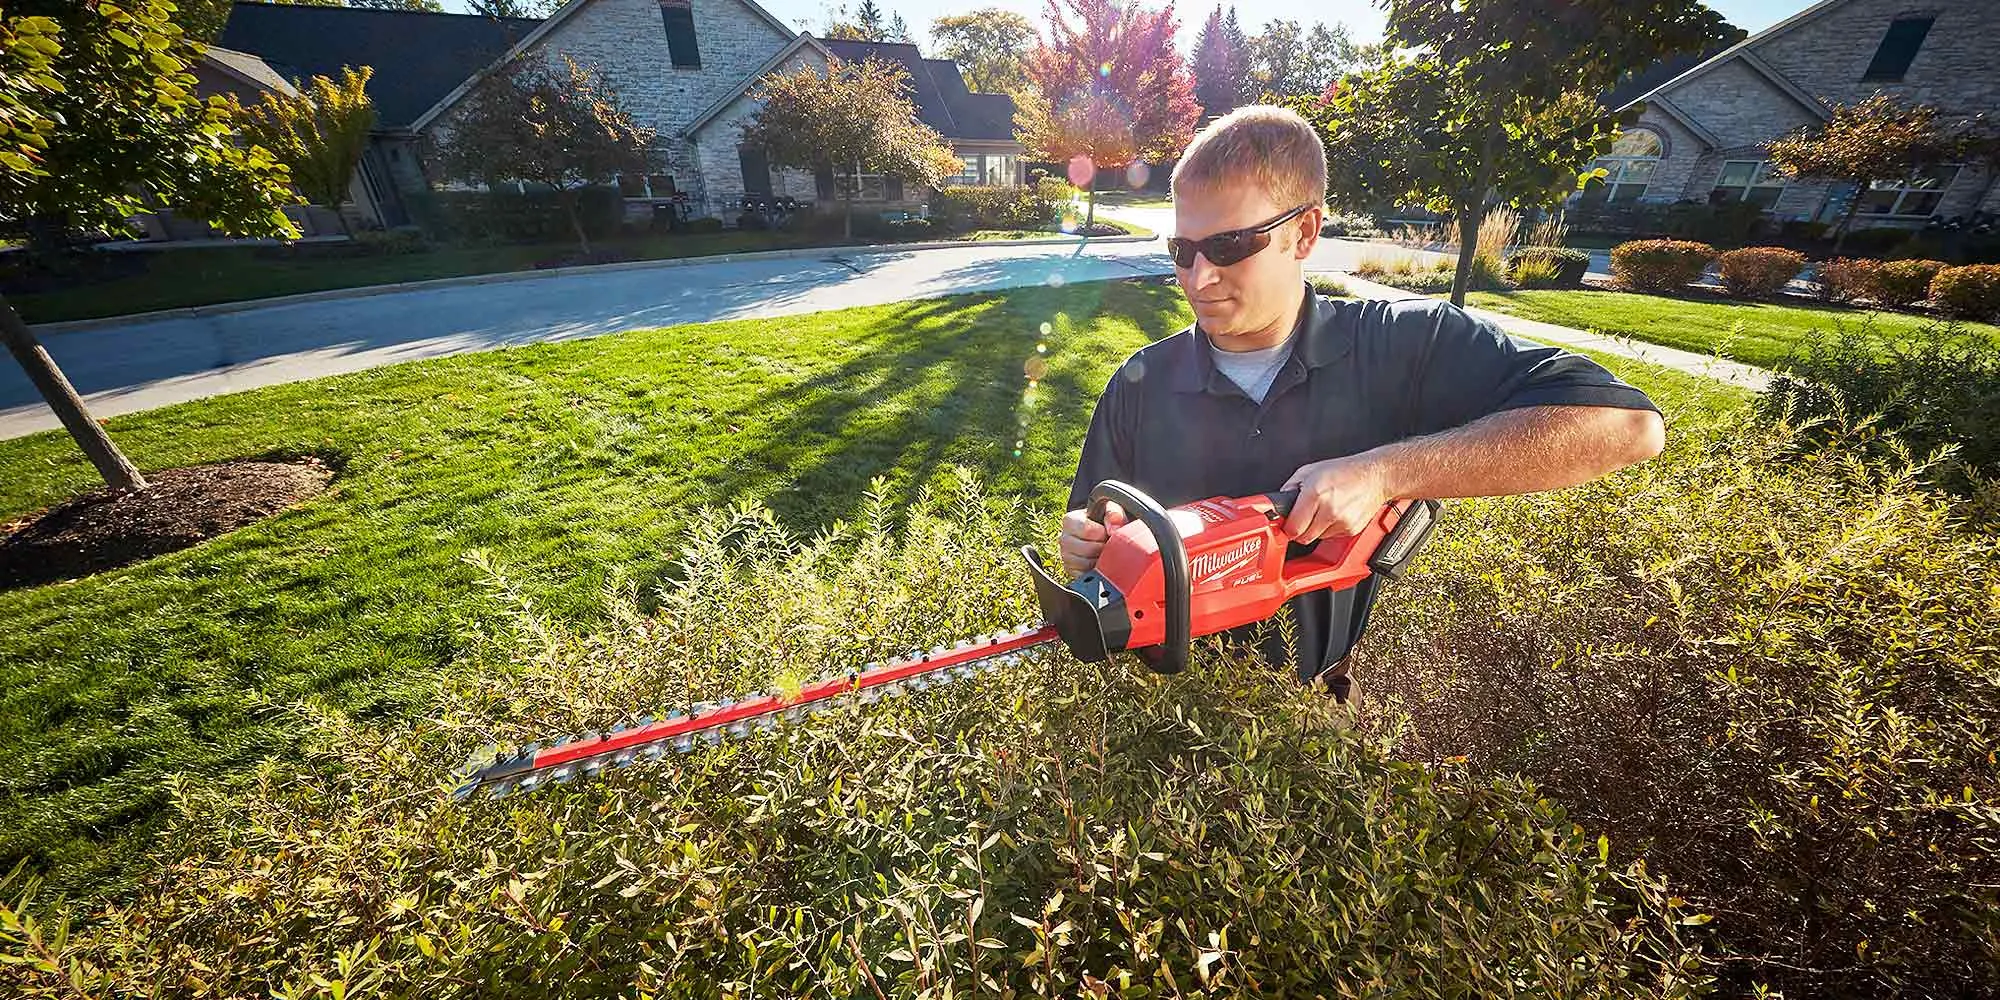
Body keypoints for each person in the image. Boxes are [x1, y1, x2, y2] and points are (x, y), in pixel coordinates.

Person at [1056, 105, 1666, 701]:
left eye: (1229, 246)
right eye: (1182, 251)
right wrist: (1087, 545)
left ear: (1304, 232)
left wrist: (1382, 474)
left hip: (1313, 705)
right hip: (1154, 702)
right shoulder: (1141, 381)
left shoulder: (1406, 344)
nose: (1199, 279)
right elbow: (1092, 527)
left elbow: (1629, 427)